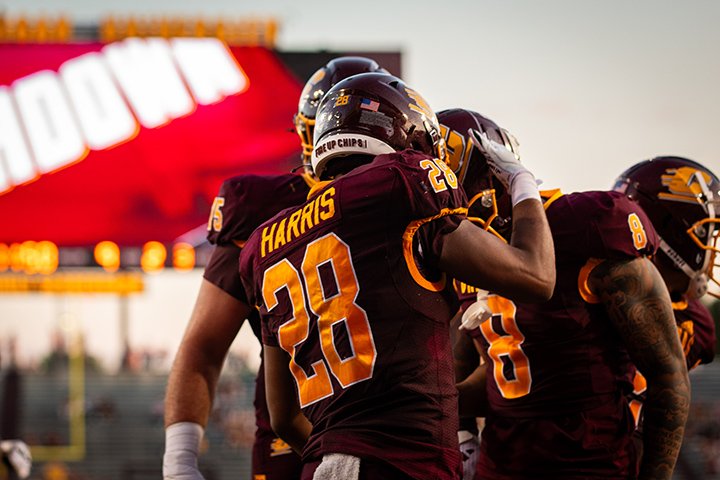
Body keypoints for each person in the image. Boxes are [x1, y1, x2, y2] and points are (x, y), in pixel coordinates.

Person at [238, 72, 555, 479]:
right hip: (406, 463)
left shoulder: (263, 243)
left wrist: (338, 460)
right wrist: (522, 183)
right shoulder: (401, 183)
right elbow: (537, 276)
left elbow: (283, 415)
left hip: (322, 465)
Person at [163, 56, 387, 480]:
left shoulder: (409, 201)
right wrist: (179, 461)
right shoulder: (260, 210)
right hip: (294, 437)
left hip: (393, 434)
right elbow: (204, 347)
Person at [452, 123, 698, 479]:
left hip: (590, 466)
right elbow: (497, 376)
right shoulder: (463, 254)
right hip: (501, 466)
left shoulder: (585, 227)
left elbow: (669, 379)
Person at [613, 156, 718, 473]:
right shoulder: (596, 296)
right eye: (706, 234)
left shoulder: (696, 323)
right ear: (672, 229)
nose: (712, 249)